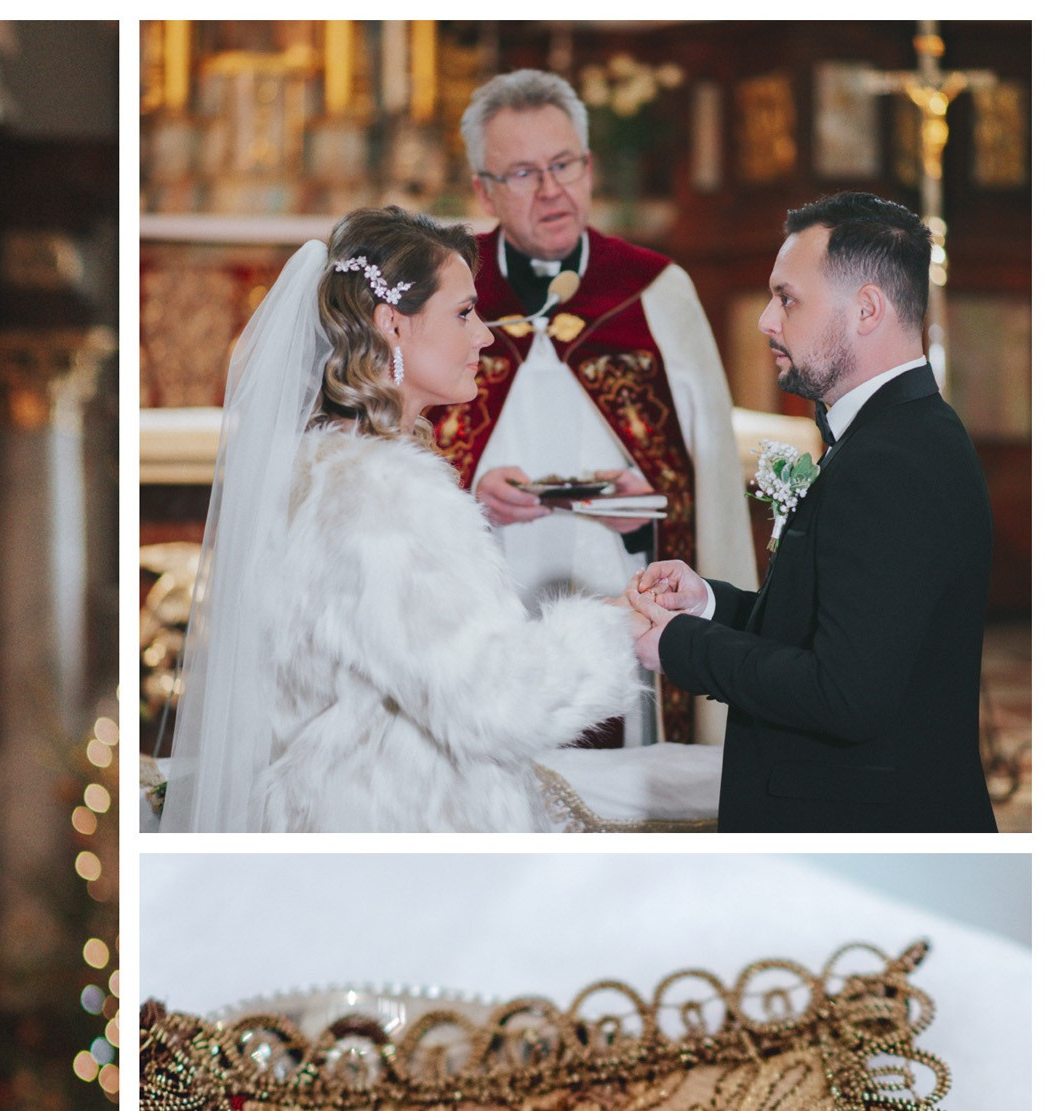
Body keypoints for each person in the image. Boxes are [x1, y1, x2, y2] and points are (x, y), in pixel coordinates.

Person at [158, 205, 638, 834]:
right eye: (464, 313)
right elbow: (499, 701)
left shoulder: (311, 470)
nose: (485, 336)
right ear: (392, 323)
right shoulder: (382, 494)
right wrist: (619, 626)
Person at [629, 193, 995, 831]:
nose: (767, 320)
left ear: (866, 309)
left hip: (866, 835)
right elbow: (837, 631)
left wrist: (680, 645)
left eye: (787, 298)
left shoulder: (893, 461)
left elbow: (846, 694)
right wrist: (710, 607)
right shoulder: (893, 436)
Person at [443, 69, 753, 745]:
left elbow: (706, 481)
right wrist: (466, 494)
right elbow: (400, 448)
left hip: (619, 586)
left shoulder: (657, 291)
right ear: (482, 190)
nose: (551, 190)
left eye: (564, 164)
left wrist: (655, 503)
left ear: (589, 167)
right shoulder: (446, 292)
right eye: (523, 172)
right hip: (479, 600)